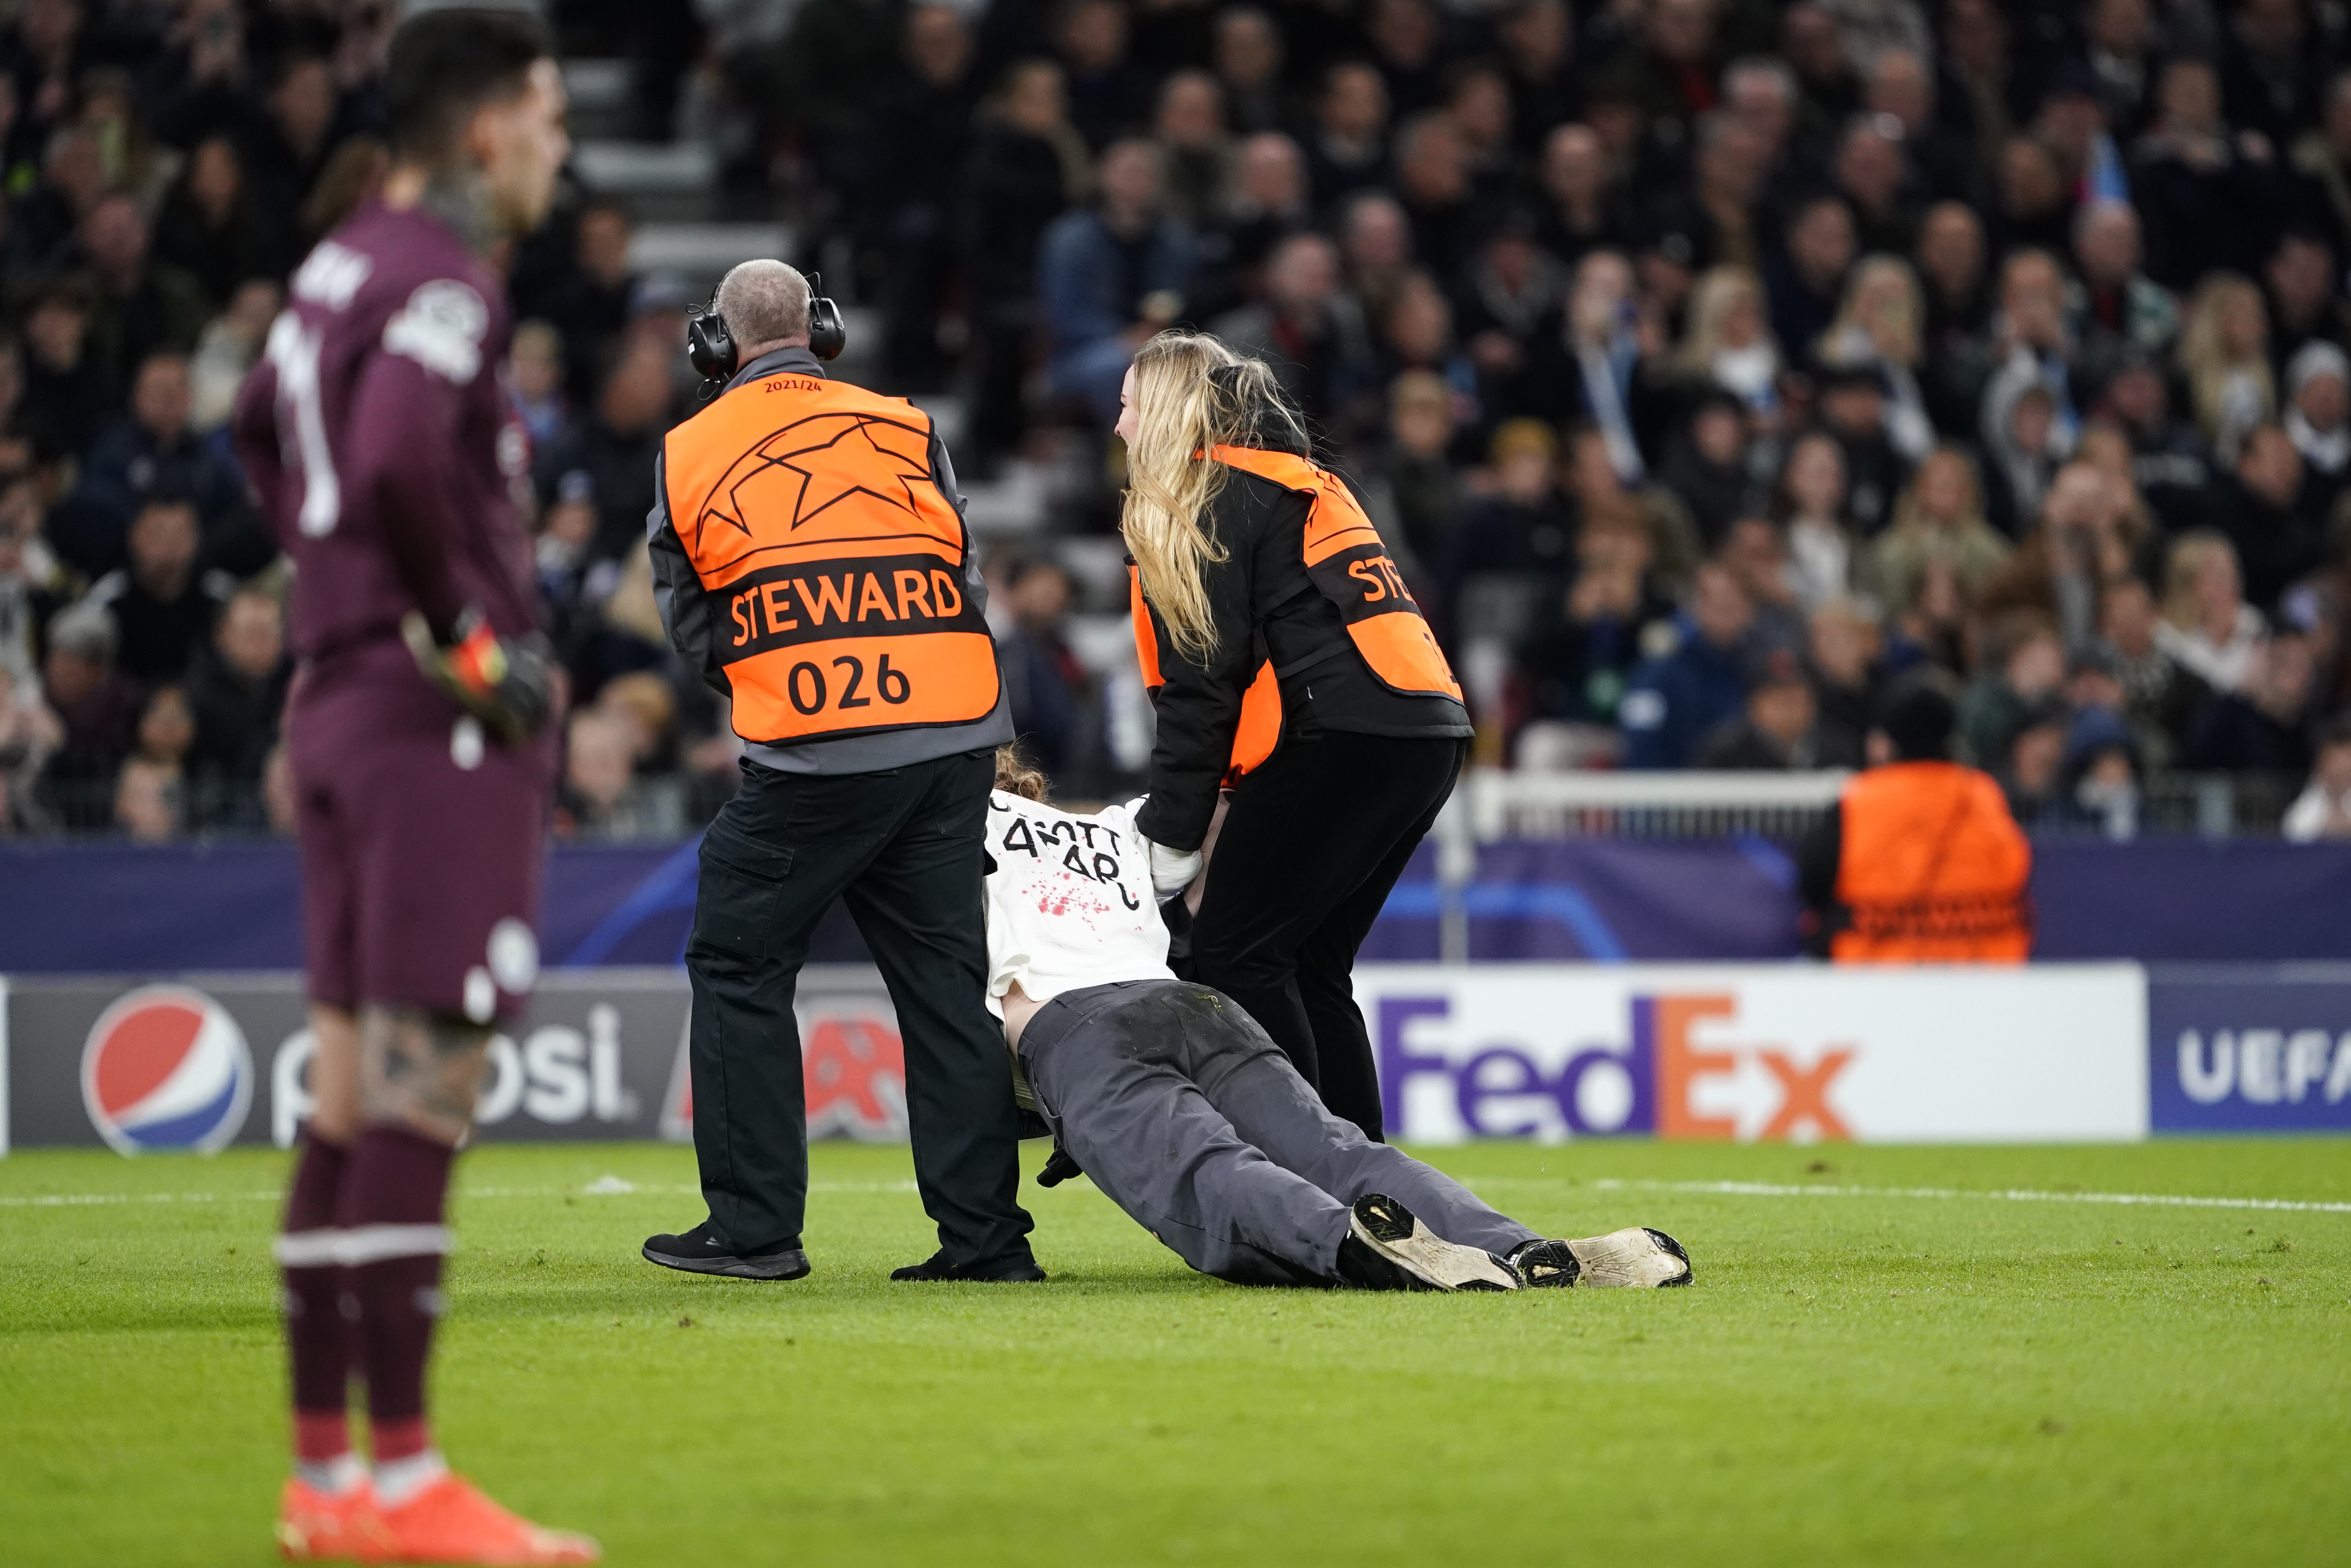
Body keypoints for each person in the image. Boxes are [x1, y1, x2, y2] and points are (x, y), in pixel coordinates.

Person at [226, 12, 592, 1563]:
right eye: (555, 118)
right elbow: (384, 453)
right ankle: (409, 1473)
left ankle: (330, 1480)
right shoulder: (441, 278)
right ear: (492, 122)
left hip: (338, 688)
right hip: (421, 711)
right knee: (423, 1091)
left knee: (352, 1094)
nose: (564, 151)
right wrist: (455, 632)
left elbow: (263, 425)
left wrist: (334, 600)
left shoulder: (334, 267)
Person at [641, 259, 1039, 1287]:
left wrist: (776, 674)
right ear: (821, 331)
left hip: (813, 748)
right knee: (947, 991)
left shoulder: (689, 450)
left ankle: (755, 1229)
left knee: (738, 963)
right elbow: (967, 573)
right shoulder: (906, 424)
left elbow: (688, 612)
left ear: (712, 346)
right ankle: (985, 1245)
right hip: (953, 732)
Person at [986, 747, 1690, 1291]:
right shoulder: (1113, 830)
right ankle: (1518, 1247)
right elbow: (1217, 801)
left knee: (1201, 1171)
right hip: (1193, 1006)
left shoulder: (943, 834)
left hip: (1077, 1026)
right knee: (1339, 1151)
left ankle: (1351, 1243)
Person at [1116, 331, 1470, 1142]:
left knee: (1237, 953)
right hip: (1421, 729)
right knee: (1309, 963)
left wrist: (1170, 835)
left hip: (1342, 734)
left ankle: (1316, 1175)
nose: (1119, 428)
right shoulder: (1289, 480)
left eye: (1130, 406)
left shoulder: (1200, 497)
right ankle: (1373, 1186)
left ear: (1170, 415)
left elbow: (1201, 685)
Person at [1796, 683, 2033, 962]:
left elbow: (1811, 881)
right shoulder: (1987, 796)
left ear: (1884, 744)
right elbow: (2019, 874)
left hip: (1874, 979)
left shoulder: (1857, 803)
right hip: (1986, 976)